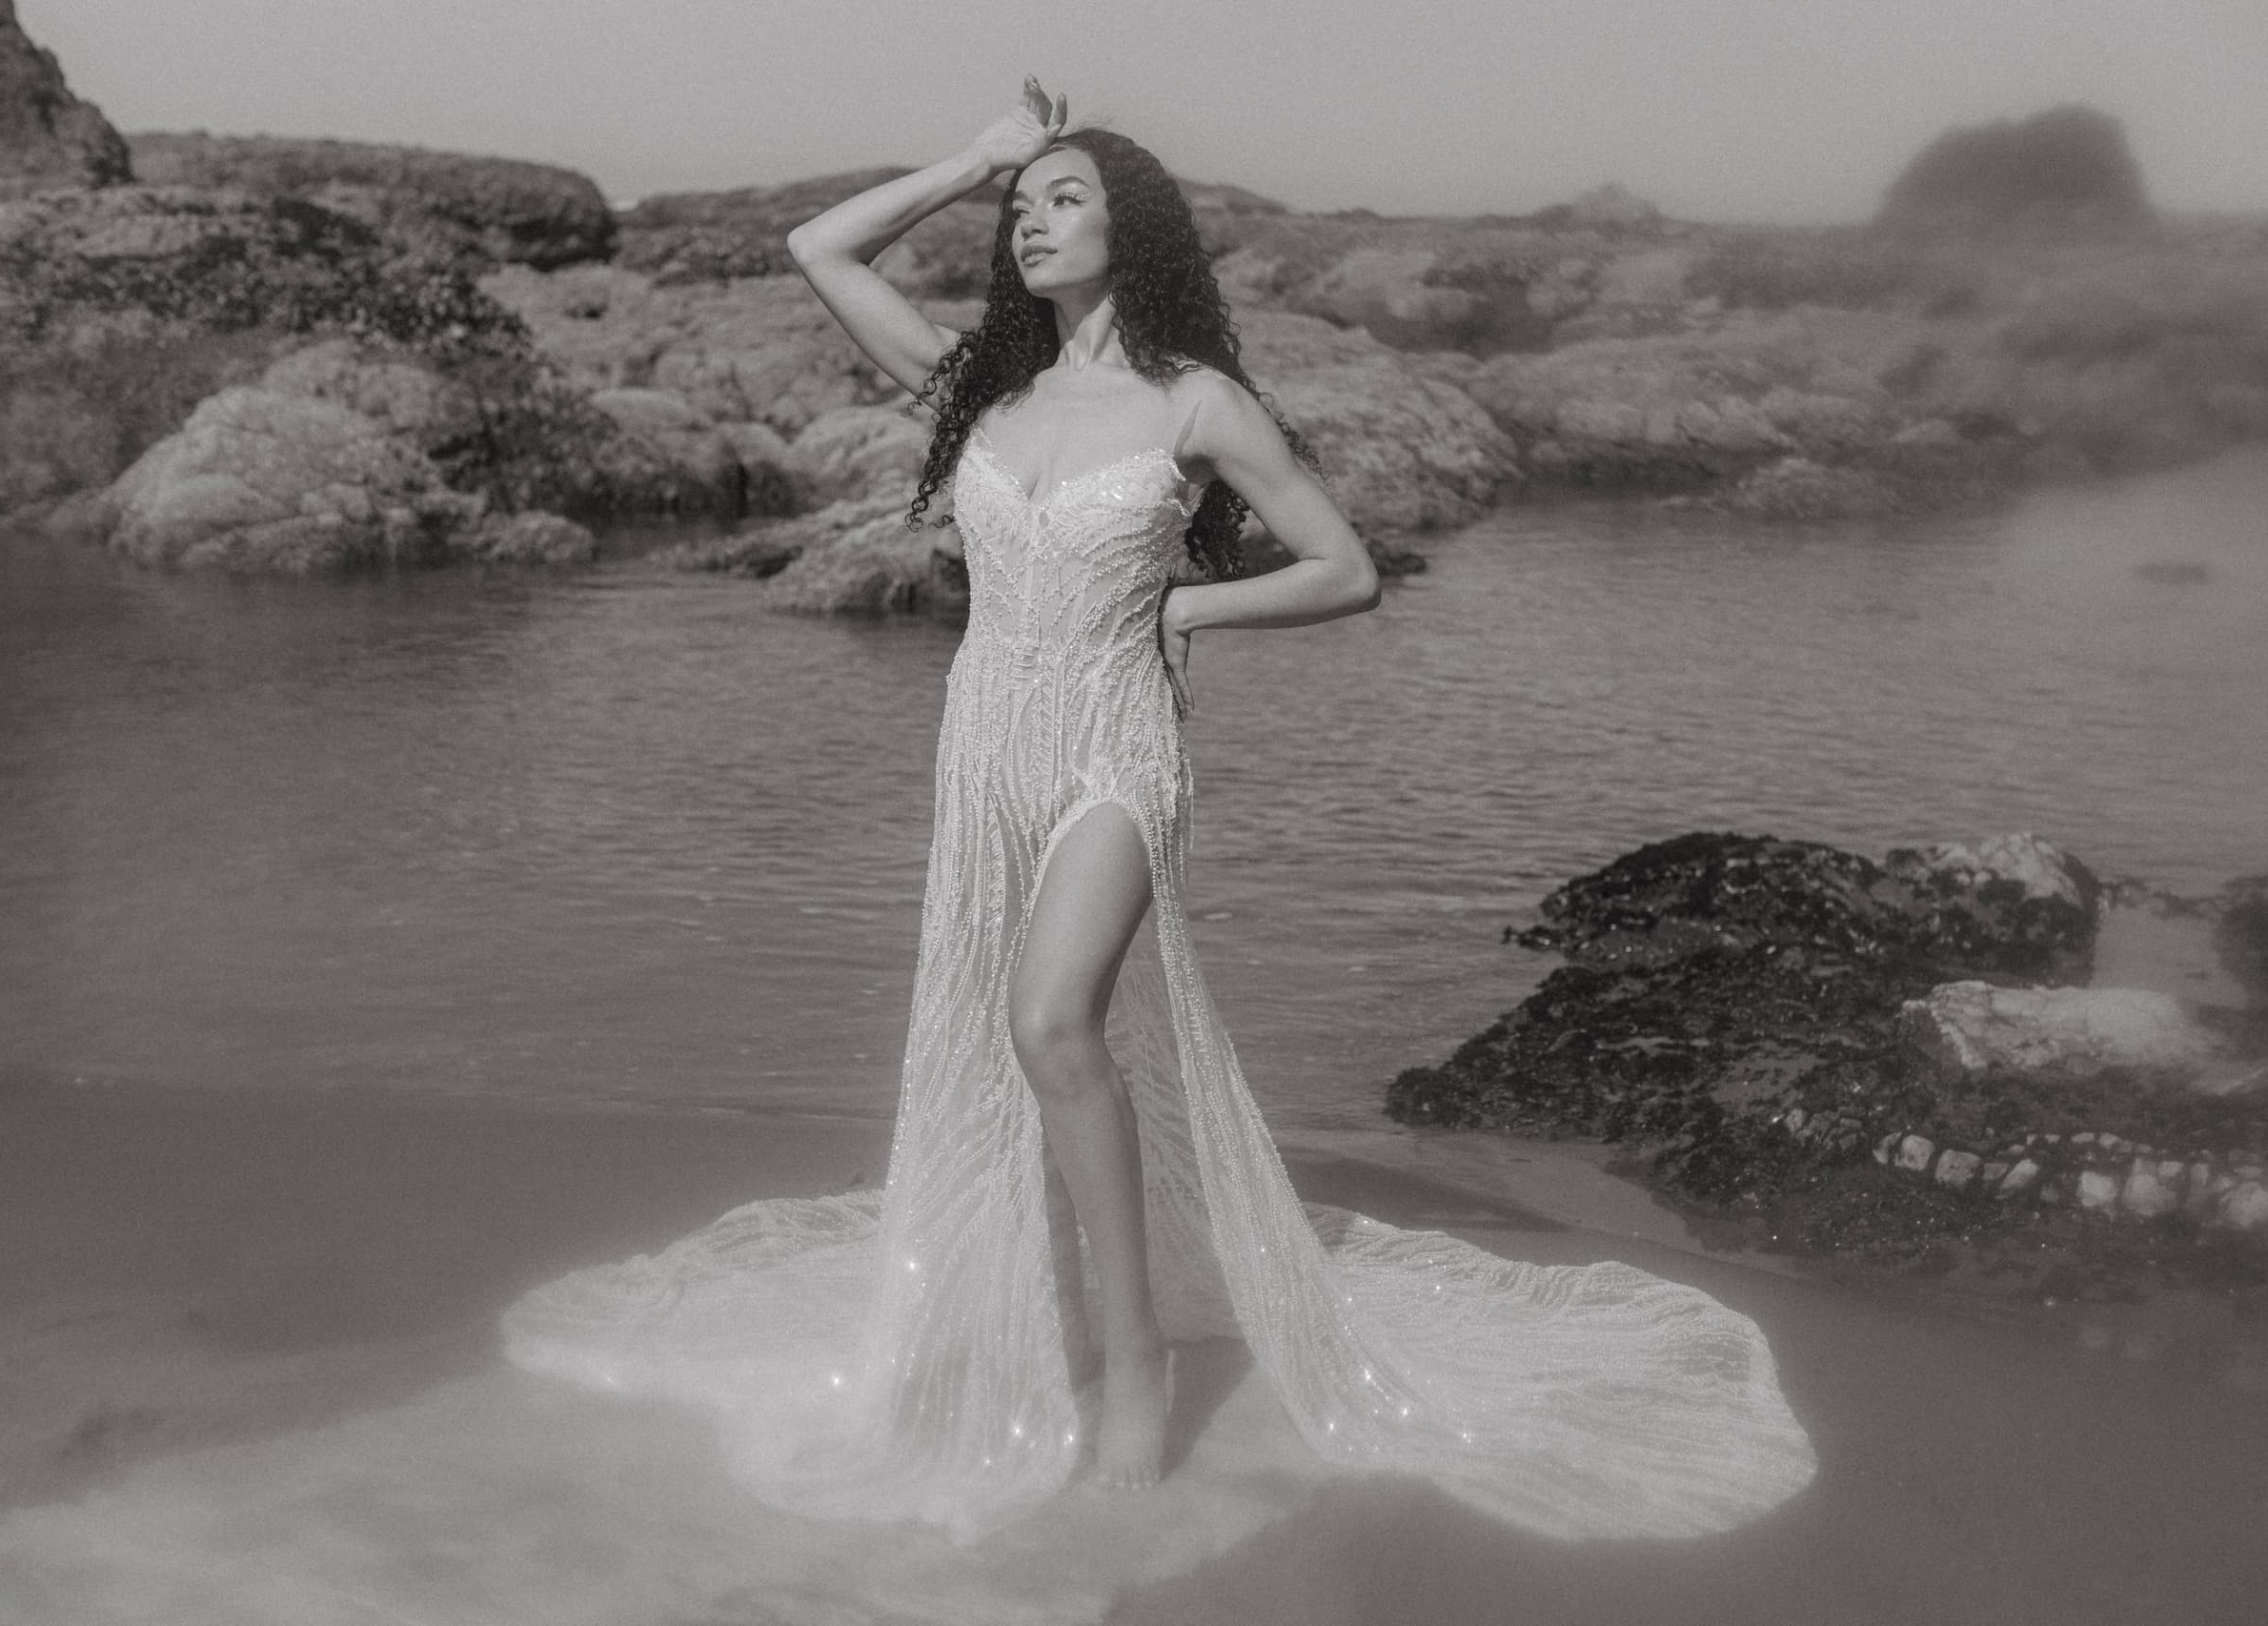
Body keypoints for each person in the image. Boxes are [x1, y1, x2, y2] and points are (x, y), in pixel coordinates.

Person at [505, 82, 1816, 1543]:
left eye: (1063, 197)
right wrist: (974, 158)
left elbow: (1344, 567)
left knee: (1052, 1022)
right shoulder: (977, 390)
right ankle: (1060, 1291)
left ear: (1134, 227)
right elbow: (820, 247)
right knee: (1022, 1044)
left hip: (1116, 742)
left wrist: (1188, 596)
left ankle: (1130, 1354)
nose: (1030, 219)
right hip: (984, 738)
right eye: (1023, 207)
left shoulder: (1196, 399)